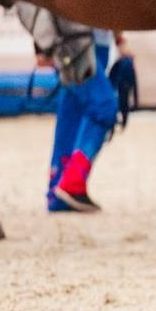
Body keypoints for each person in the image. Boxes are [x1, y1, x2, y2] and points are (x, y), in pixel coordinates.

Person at [47, 29, 129, 212]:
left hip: (90, 41)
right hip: (75, 42)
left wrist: (117, 37)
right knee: (104, 108)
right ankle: (72, 182)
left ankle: (57, 191)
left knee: (72, 112)